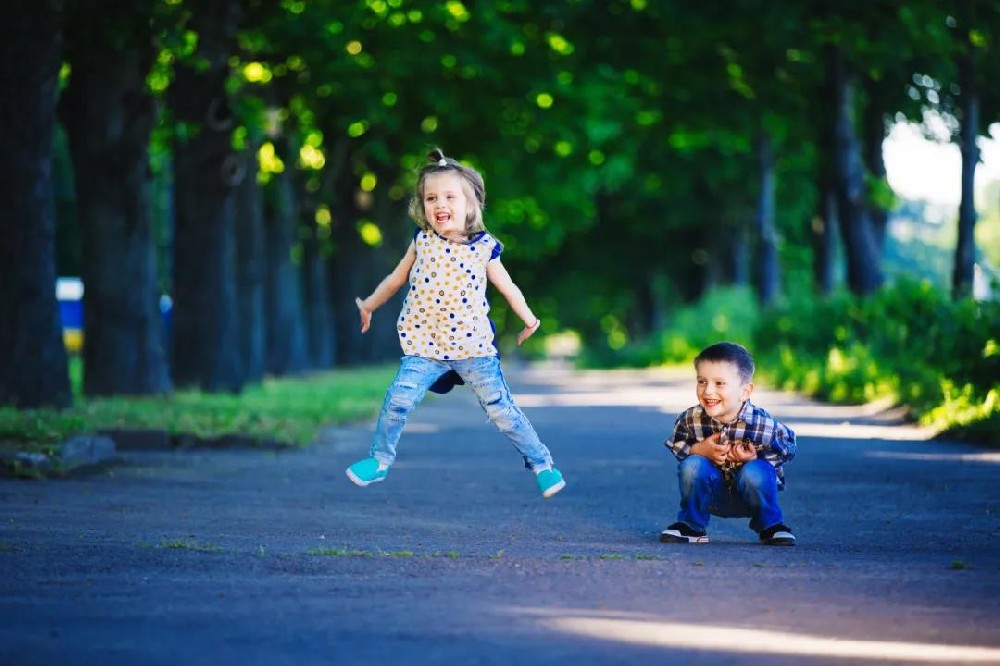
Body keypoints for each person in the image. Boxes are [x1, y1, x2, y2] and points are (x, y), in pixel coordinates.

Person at [344, 148, 566, 499]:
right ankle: (379, 460)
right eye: (431, 197)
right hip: (425, 349)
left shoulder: (484, 248)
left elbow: (508, 287)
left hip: (473, 348)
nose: (439, 204)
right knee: (396, 402)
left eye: (450, 196)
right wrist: (369, 304)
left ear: (470, 206)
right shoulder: (422, 241)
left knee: (501, 411)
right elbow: (395, 280)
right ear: (422, 206)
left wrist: (529, 319)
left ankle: (541, 464)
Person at [660, 342, 797, 545]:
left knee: (756, 471)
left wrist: (755, 458)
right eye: (702, 381)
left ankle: (771, 526)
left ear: (745, 391)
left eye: (719, 383)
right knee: (693, 464)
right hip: (710, 495)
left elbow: (788, 447)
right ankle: (691, 526)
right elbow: (676, 442)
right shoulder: (691, 419)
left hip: (750, 494)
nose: (708, 391)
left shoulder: (762, 424)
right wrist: (699, 449)